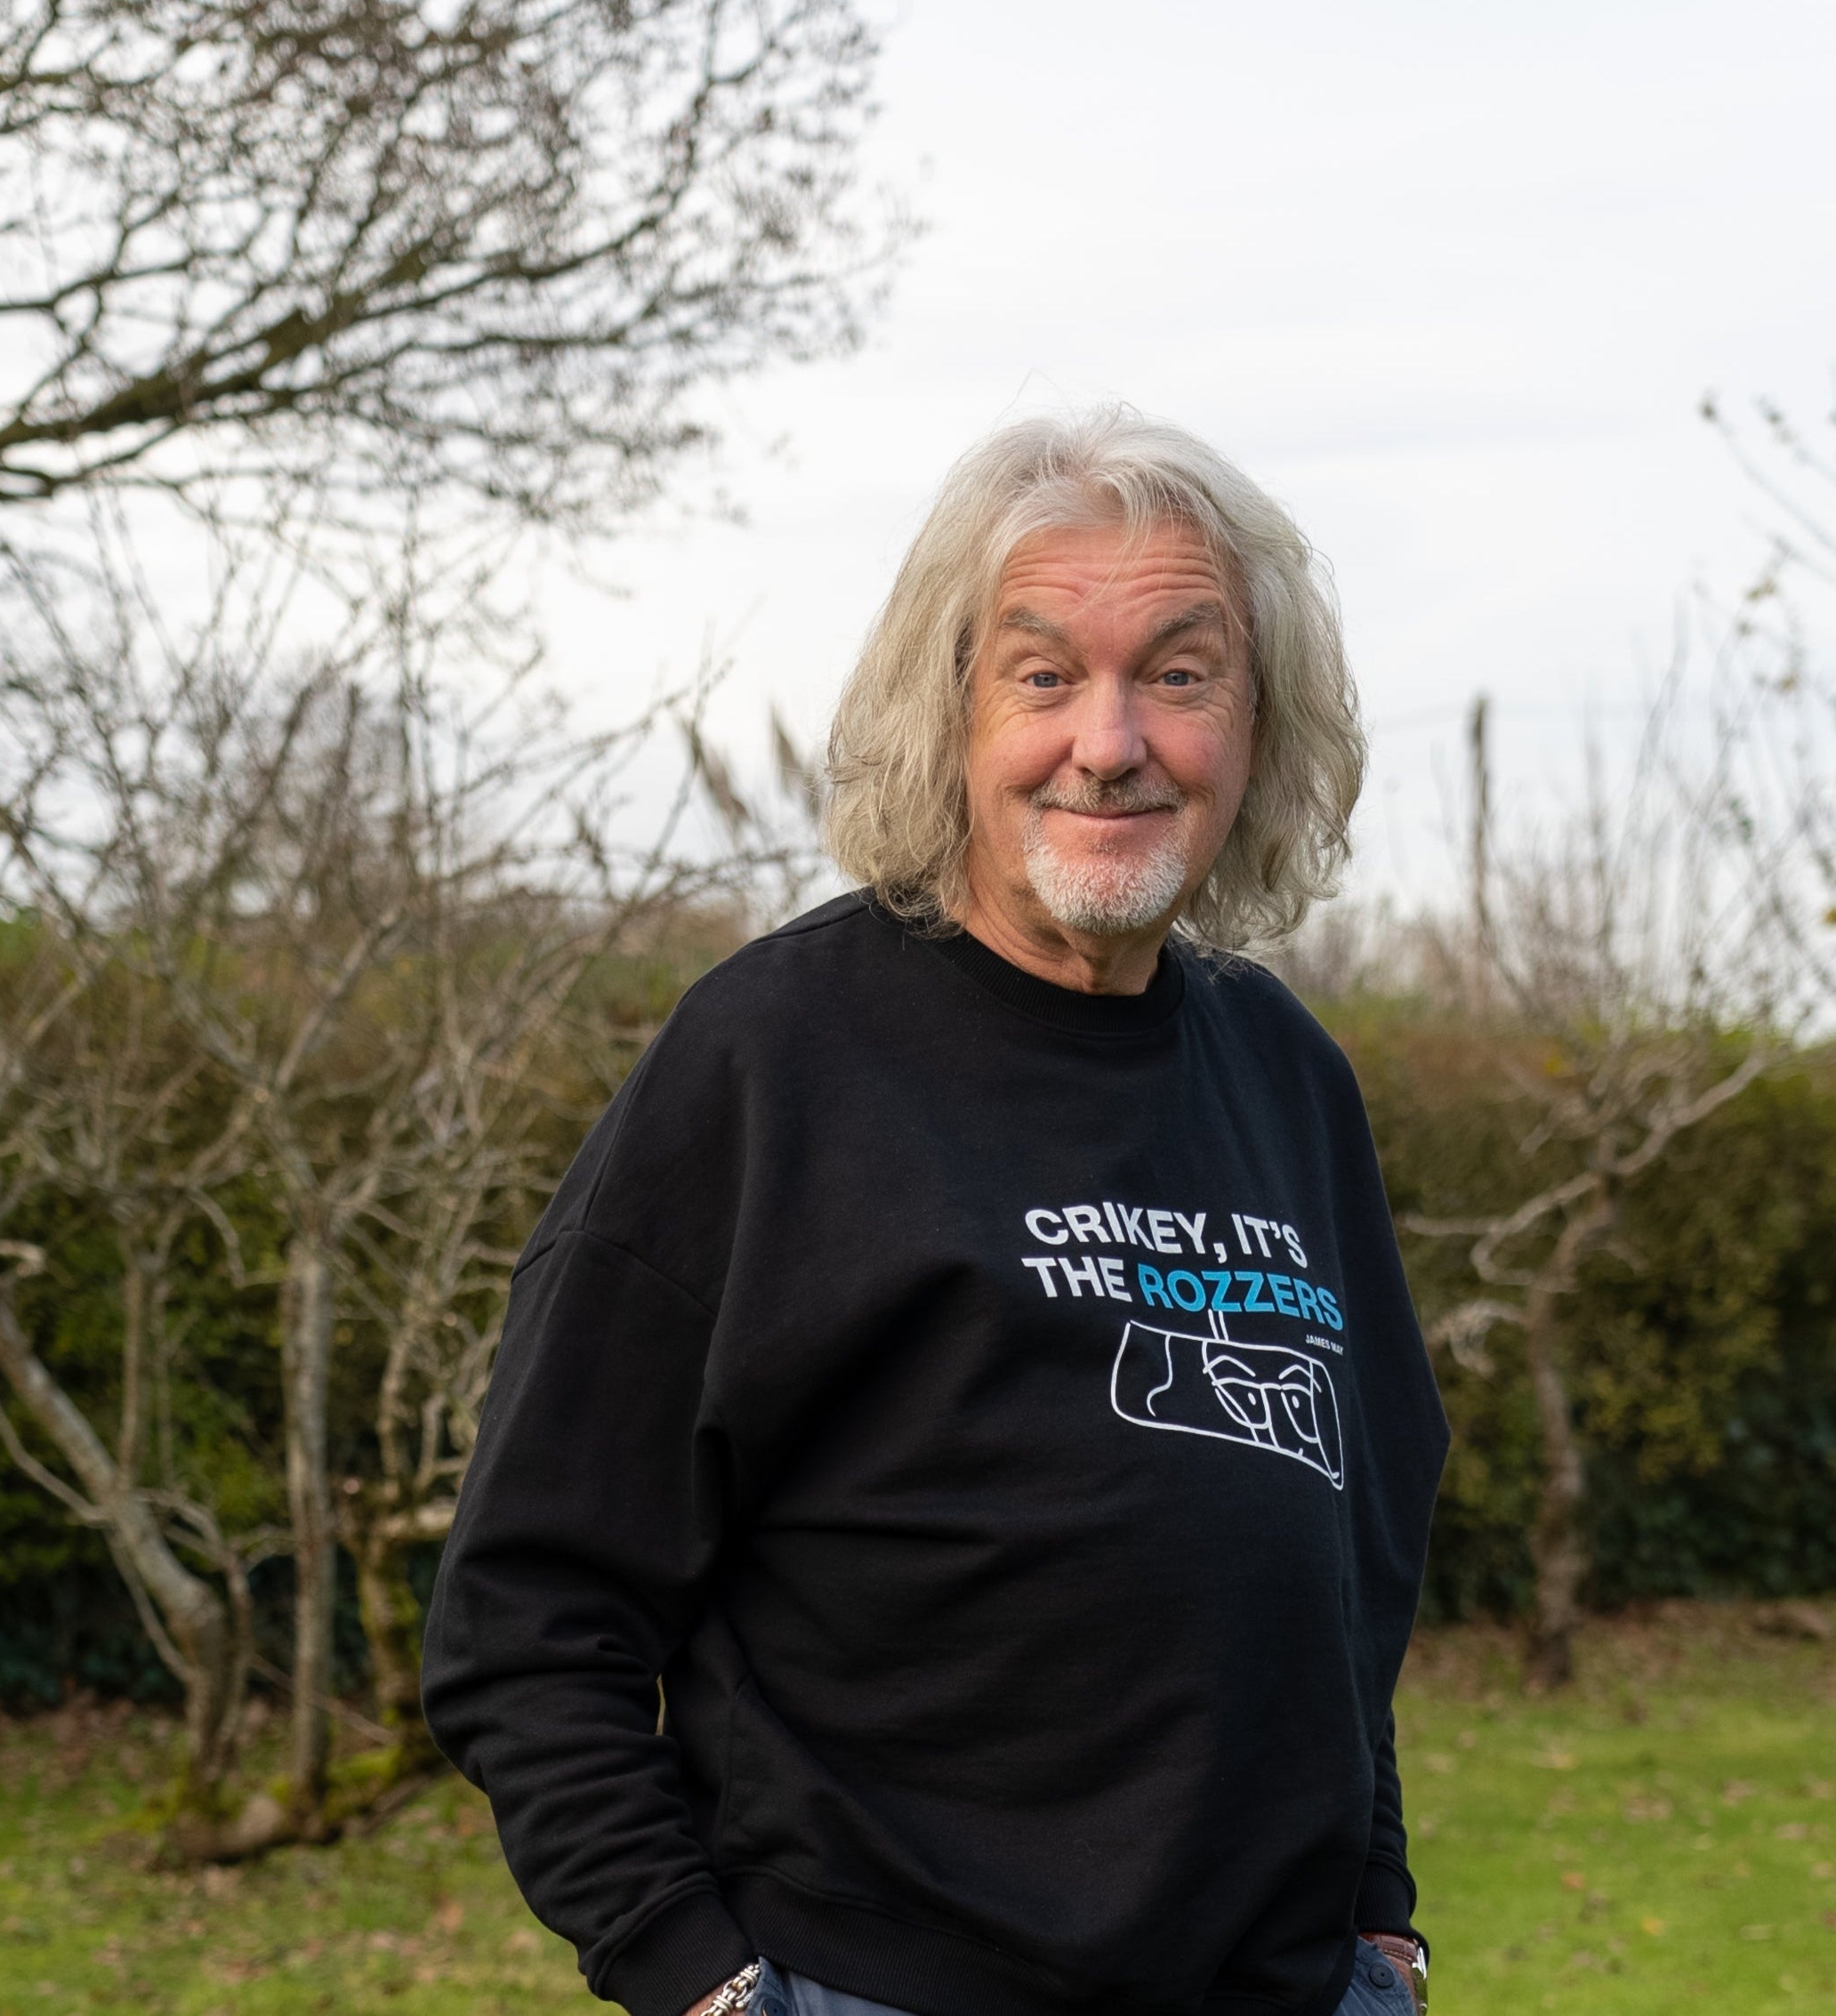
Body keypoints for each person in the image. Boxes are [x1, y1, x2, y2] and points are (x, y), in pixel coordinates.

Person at [423, 409, 1449, 2016]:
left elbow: (1347, 1554)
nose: (1109, 741)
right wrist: (694, 1974)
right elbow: (528, 1610)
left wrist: (1377, 1916)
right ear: (948, 713)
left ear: (1260, 727)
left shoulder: (1288, 1077)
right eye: (1043, 675)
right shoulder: (773, 1059)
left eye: (1180, 674)